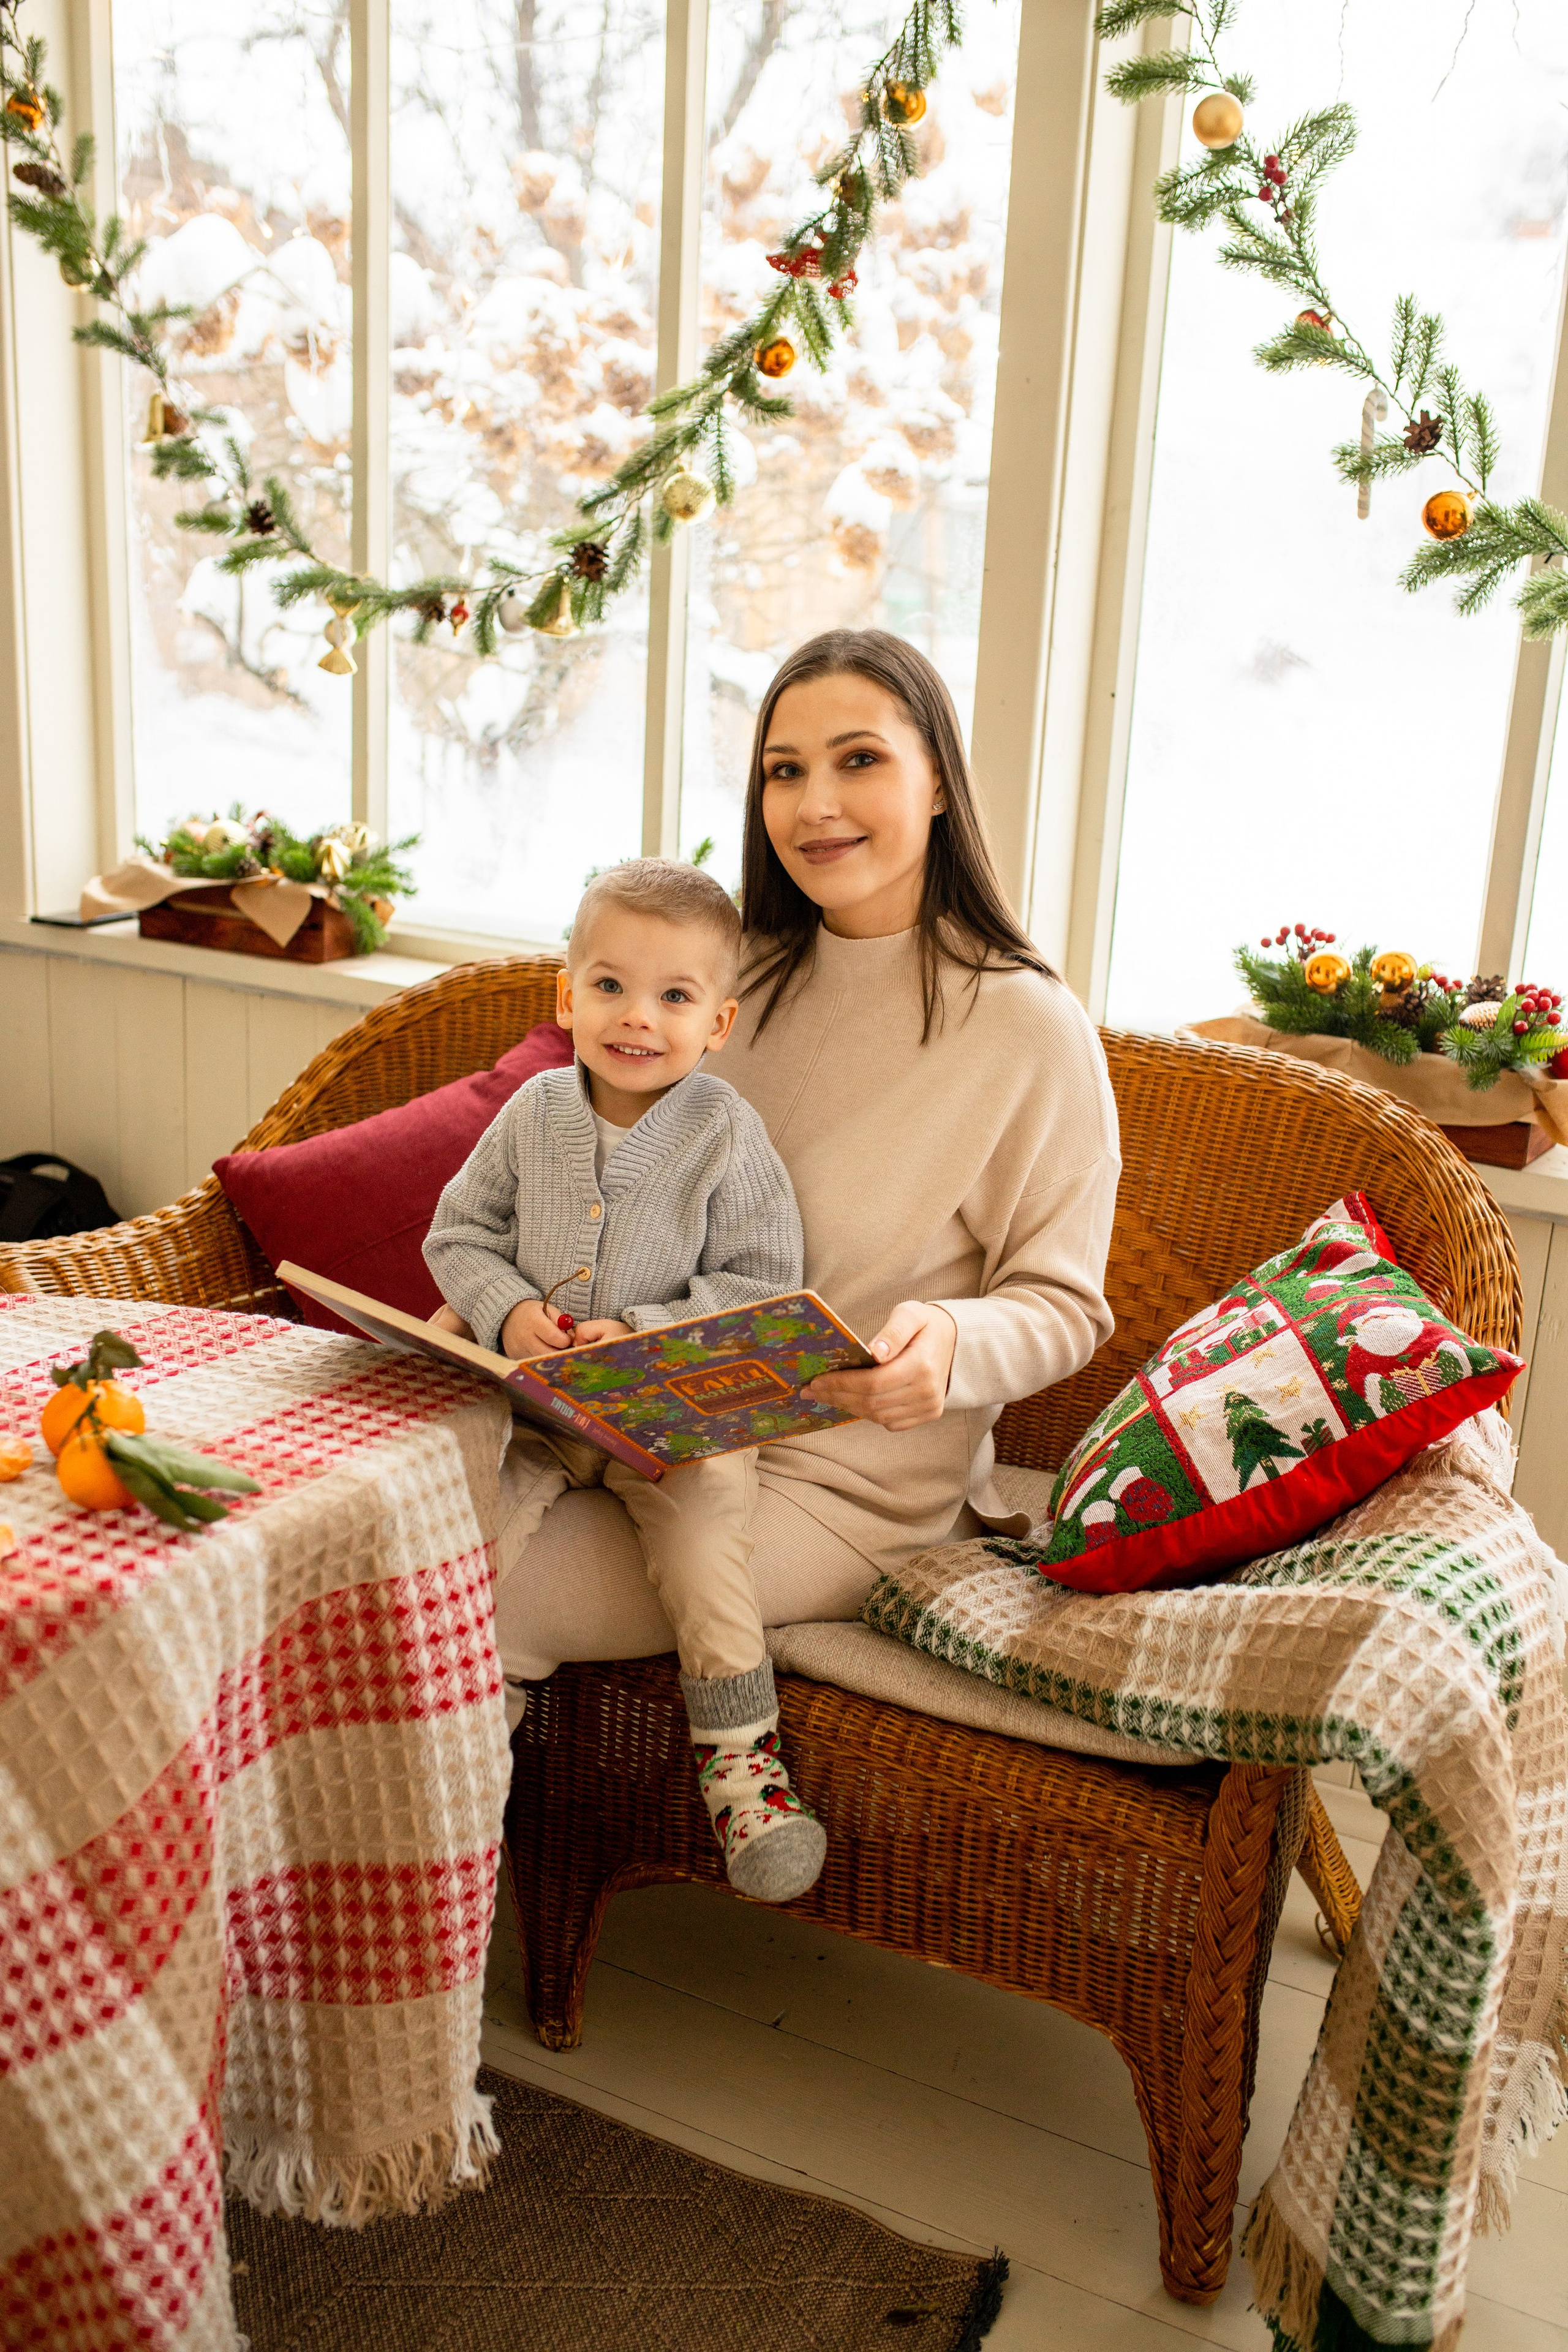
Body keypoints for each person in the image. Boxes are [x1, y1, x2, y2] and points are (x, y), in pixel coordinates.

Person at [491, 628, 1121, 1702]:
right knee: (376, 1520)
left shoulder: (1027, 1026)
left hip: (840, 1488)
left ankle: (427, 1872)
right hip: (639, 1432)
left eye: (859, 759)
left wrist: (952, 1345)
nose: (815, 802)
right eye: (785, 771)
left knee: (475, 1594)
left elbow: (1066, 1304)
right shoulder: (735, 986)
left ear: (936, 784)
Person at [423, 857, 827, 1903]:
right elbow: (458, 1233)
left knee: (706, 1532)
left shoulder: (725, 1134)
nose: (636, 1017)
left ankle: (743, 1769)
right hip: (540, 1408)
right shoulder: (533, 1113)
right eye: (609, 986)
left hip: (666, 1413)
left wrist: (641, 1327)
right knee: (469, 1514)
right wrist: (510, 1309)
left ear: (719, 1023)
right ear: (566, 997)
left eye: (674, 997)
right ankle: (461, 1758)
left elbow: (762, 1285)